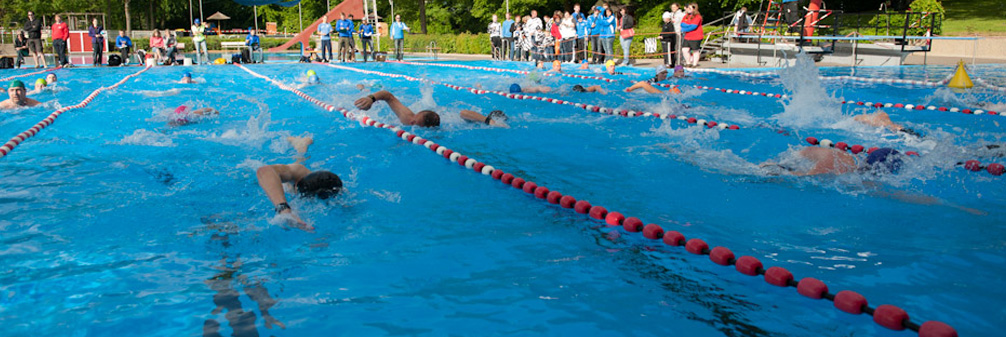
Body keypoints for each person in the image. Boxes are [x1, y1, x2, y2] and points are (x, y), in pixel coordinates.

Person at [256, 136, 343, 230]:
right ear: (296, 184)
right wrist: (283, 209)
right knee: (299, 162)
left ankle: (301, 144)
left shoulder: (335, 189)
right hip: (293, 172)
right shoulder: (298, 172)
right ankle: (300, 144)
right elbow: (264, 171)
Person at [353, 90, 441, 127]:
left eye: (414, 123)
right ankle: (362, 88)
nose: (411, 122)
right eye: (413, 119)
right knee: (365, 90)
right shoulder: (407, 117)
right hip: (369, 96)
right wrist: (370, 99)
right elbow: (388, 96)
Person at [854, 111, 922, 137]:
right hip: (903, 130)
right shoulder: (884, 116)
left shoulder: (878, 121)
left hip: (898, 130)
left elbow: (856, 118)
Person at [680, 3, 704, 68]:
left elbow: (693, 26)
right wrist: (688, 26)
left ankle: (694, 64)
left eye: (690, 8)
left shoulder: (697, 17)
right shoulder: (686, 16)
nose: (688, 9)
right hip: (687, 36)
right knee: (684, 49)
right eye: (688, 8)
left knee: (695, 50)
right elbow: (682, 24)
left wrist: (685, 28)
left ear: (694, 9)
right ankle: (688, 62)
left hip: (696, 36)